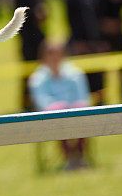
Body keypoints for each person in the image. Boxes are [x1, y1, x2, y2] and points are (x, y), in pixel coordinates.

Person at [29, 41, 91, 170]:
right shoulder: (38, 78)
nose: (55, 57)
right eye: (51, 54)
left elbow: (82, 97)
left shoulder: (75, 73)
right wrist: (61, 107)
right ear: (44, 56)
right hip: (52, 117)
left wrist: (72, 108)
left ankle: (79, 157)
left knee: (82, 111)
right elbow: (42, 101)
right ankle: (70, 158)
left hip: (76, 115)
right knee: (58, 113)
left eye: (58, 53)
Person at [63, 0, 105, 104]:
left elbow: (96, 20)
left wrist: (98, 41)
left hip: (94, 43)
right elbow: (71, 21)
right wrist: (78, 42)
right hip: (79, 45)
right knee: (81, 78)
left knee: (98, 78)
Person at [15, 0, 47, 111]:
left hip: (39, 42)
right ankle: (26, 107)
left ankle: (40, 103)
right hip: (27, 43)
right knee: (27, 78)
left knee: (42, 75)